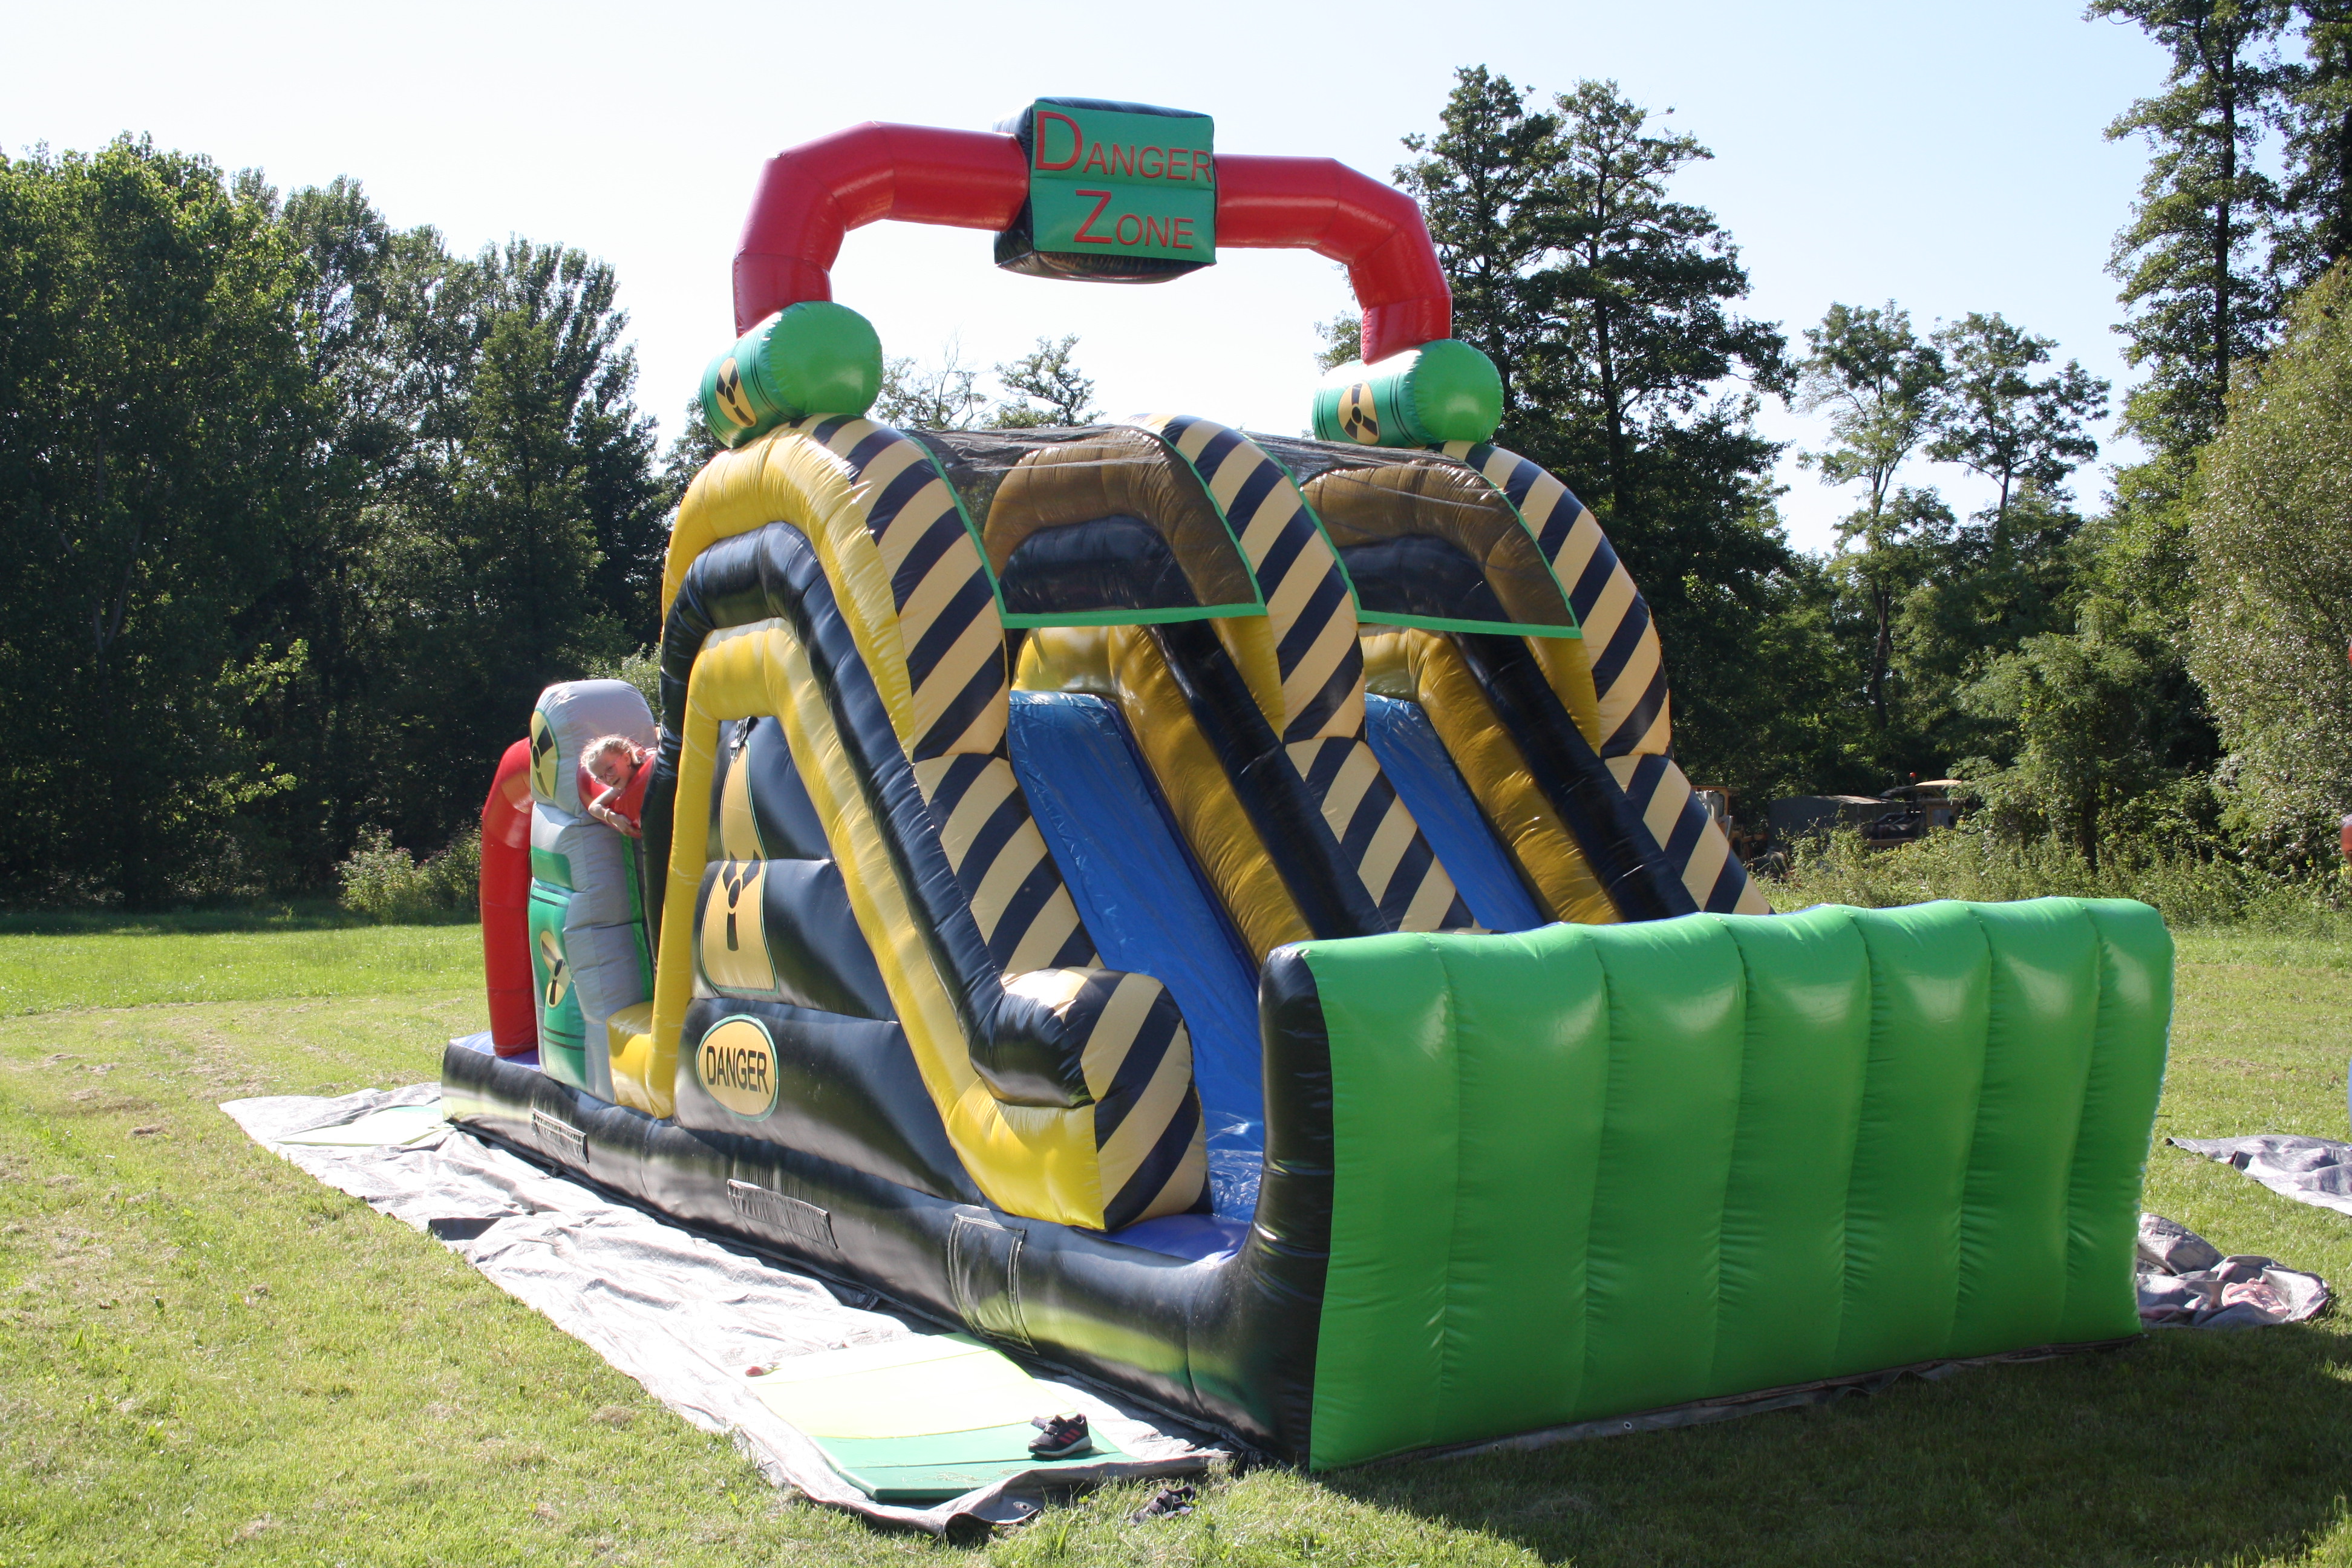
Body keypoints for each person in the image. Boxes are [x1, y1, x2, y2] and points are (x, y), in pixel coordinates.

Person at [580, 734, 651, 838]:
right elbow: (593, 807)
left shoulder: (649, 764)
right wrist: (613, 818)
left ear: (626, 759)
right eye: (601, 777)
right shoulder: (618, 788)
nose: (608, 779)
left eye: (610, 769)